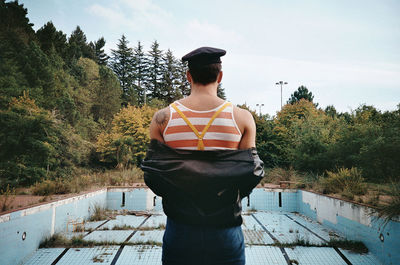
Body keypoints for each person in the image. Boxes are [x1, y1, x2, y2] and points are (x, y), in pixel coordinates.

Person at [143, 47, 263, 265]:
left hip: (180, 228)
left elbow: (153, 175)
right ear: (220, 76)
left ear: (189, 76)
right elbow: (251, 174)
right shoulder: (242, 118)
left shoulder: (162, 118)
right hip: (225, 229)